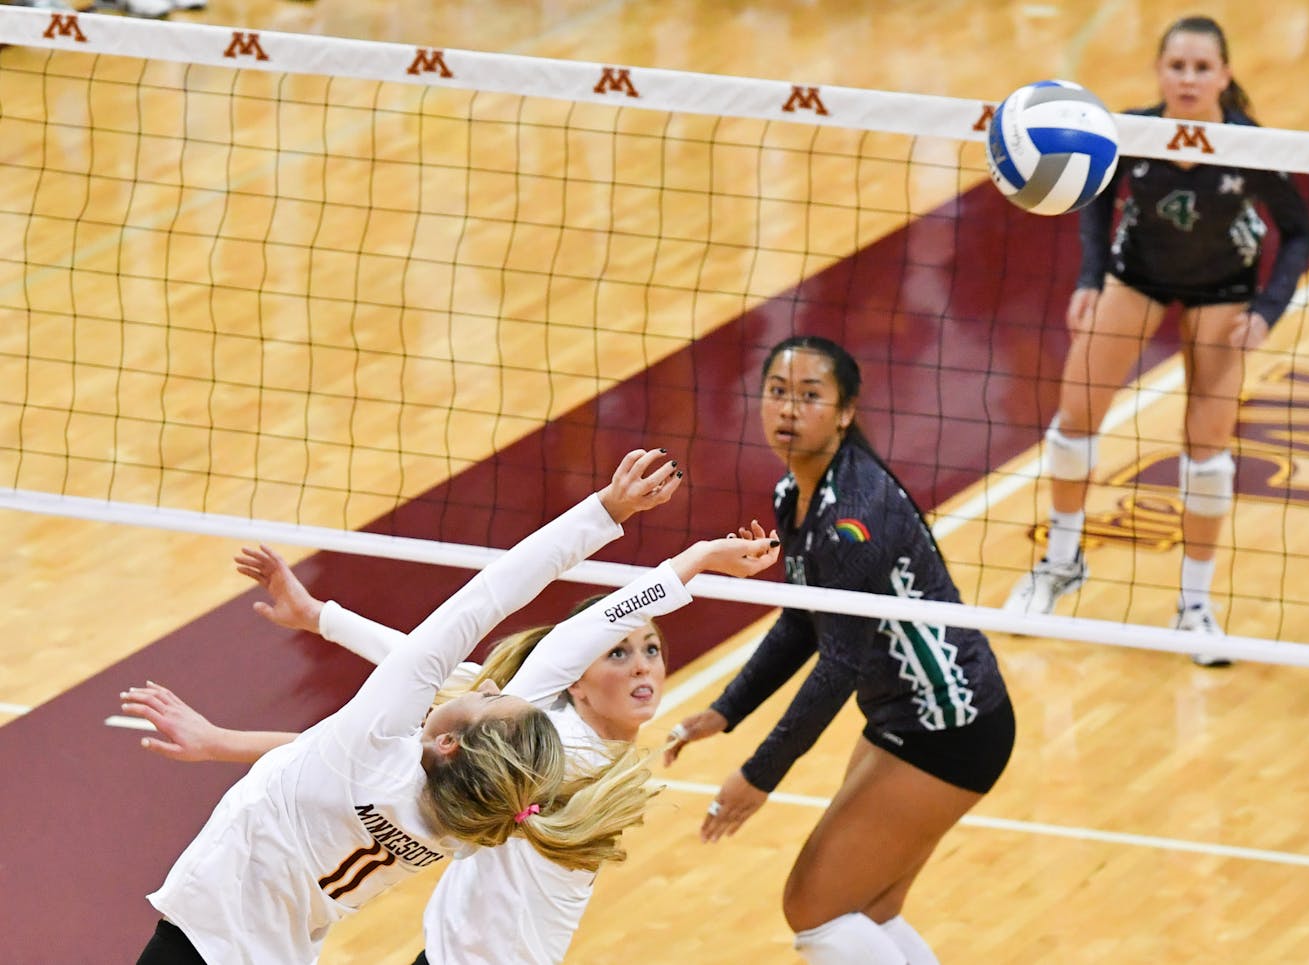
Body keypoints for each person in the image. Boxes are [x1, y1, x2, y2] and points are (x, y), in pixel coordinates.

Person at [129, 448, 781, 964]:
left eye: (489, 698)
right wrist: (686, 565)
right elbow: (556, 654)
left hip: (208, 933)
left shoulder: (370, 740)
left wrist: (607, 510)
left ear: (448, 740)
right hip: (283, 947)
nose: (490, 686)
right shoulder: (474, 803)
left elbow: (490, 596)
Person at [662, 336, 1014, 964]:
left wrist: (758, 776)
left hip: (948, 725)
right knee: (867, 911)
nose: (789, 410)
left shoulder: (854, 516)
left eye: (810, 396)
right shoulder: (796, 494)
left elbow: (840, 663)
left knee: (813, 909)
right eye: (777, 392)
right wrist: (727, 710)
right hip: (914, 717)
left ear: (846, 412)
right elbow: (802, 622)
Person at [1001, 15, 1309, 667]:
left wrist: (1267, 310)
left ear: (1225, 75)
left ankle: (1194, 607)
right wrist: (1090, 277)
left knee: (1206, 456)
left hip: (1223, 293)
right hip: (1135, 276)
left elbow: (1299, 233)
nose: (1190, 79)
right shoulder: (1130, 131)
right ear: (1159, 71)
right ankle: (1060, 563)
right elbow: (1094, 199)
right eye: (1178, 66)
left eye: (1203, 68)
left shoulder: (1249, 145)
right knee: (1073, 423)